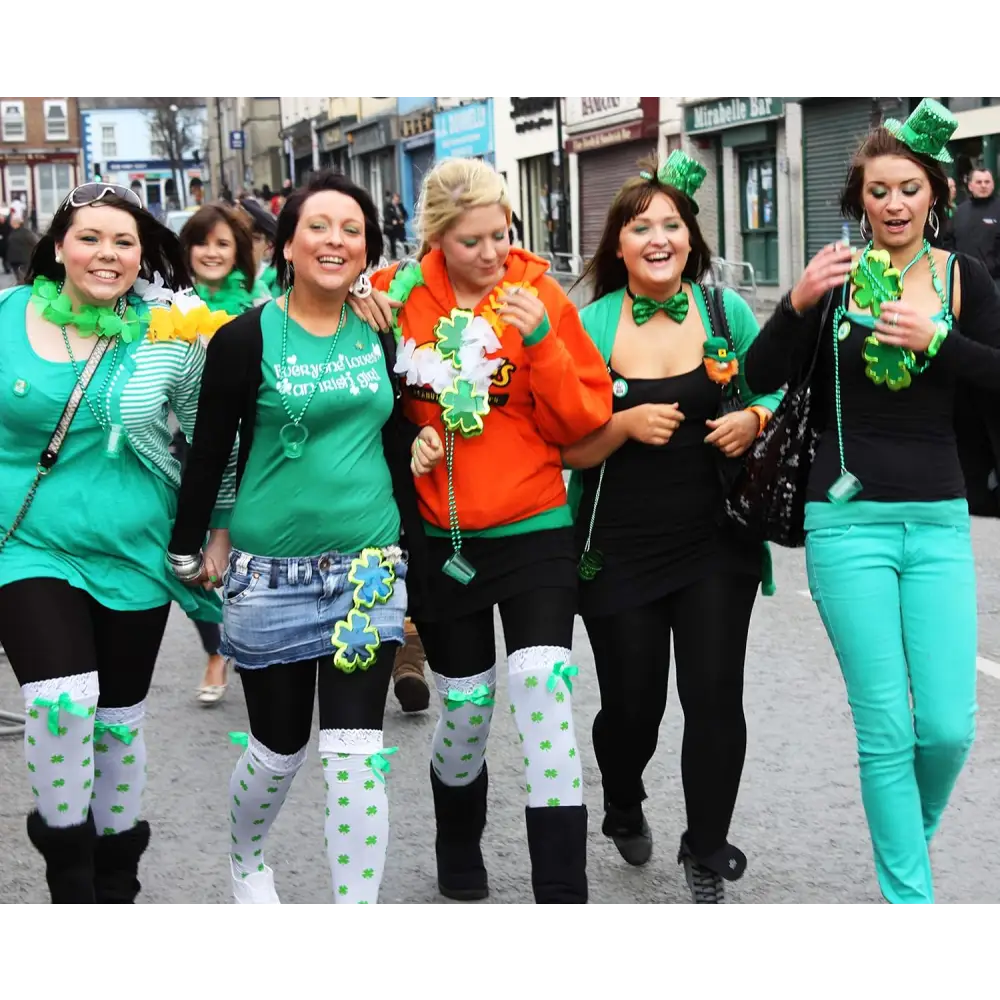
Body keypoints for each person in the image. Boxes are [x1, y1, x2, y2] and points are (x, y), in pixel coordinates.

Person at [743, 98, 1000, 904]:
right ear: (859, 202)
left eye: (909, 189)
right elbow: (757, 375)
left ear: (936, 196)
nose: (893, 204)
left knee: (950, 729)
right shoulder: (837, 278)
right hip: (845, 522)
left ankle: (905, 847)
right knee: (887, 730)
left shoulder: (967, 279)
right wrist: (794, 303)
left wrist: (939, 343)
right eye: (877, 191)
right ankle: (907, 891)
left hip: (937, 520)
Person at [167, 169, 440, 904]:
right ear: (287, 245)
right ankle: (248, 860)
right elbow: (212, 449)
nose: (336, 240)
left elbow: (391, 437)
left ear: (367, 250)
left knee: (357, 756)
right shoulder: (244, 338)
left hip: (369, 569)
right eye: (318, 226)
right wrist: (196, 543)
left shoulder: (380, 329)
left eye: (352, 230)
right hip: (270, 577)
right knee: (278, 750)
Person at [370, 157, 612, 904]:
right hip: (445, 540)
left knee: (542, 686)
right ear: (437, 239)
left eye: (501, 234)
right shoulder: (392, 298)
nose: (492, 252)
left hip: (535, 524)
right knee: (467, 706)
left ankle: (561, 886)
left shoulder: (537, 294)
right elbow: (359, 402)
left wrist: (541, 342)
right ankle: (455, 841)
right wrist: (401, 442)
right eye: (473, 240)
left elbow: (586, 420)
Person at [0, 182, 236, 904]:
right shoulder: (10, 315)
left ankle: (117, 879)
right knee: (62, 703)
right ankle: (70, 880)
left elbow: (211, 440)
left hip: (135, 547)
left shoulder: (174, 330)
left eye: (124, 241)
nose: (107, 253)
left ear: (143, 254)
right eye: (91, 238)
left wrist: (219, 529)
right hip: (28, 544)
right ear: (60, 246)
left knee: (116, 726)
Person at [564, 151, 784, 904]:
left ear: (690, 238)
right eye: (639, 226)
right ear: (616, 245)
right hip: (616, 547)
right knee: (634, 708)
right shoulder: (587, 325)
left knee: (716, 695)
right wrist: (622, 424)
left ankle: (706, 845)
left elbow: (780, 389)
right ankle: (622, 796)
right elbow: (565, 446)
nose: (658, 237)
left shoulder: (729, 314)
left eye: (671, 224)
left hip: (716, 541)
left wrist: (754, 416)